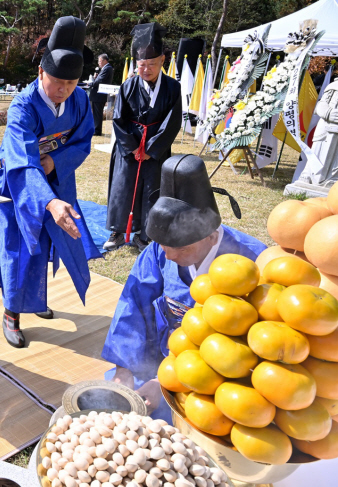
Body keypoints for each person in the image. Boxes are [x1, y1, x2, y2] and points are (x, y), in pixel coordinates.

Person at [101, 155, 266, 421]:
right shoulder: (160, 248)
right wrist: (125, 368)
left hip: (218, 371)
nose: (167, 256)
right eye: (163, 246)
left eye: (180, 248)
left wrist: (165, 380)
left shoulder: (253, 261)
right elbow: (134, 305)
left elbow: (254, 345)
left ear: (212, 237)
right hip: (160, 353)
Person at [0, 16, 101, 348]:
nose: (64, 89)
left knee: (46, 243)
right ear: (41, 72)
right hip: (16, 181)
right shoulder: (22, 106)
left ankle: (35, 299)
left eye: (72, 82)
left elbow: (82, 142)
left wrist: (55, 161)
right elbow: (21, 161)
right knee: (19, 245)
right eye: (56, 81)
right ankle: (12, 312)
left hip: (53, 176)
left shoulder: (79, 100)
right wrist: (48, 201)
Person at [104, 22, 182, 253]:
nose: (146, 69)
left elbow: (172, 122)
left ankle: (147, 234)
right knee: (123, 186)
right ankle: (118, 231)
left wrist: (150, 148)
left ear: (162, 62)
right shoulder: (128, 86)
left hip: (156, 147)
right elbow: (118, 119)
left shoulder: (173, 88)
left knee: (152, 189)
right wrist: (132, 146)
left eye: (151, 64)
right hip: (129, 147)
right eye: (141, 65)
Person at [90, 54, 114, 136]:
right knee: (96, 113)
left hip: (99, 95)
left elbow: (100, 81)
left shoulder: (107, 68)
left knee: (97, 113)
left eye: (99, 61)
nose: (98, 63)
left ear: (105, 61)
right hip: (98, 95)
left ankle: (97, 131)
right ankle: (95, 129)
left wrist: (90, 83)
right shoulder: (105, 69)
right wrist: (95, 77)